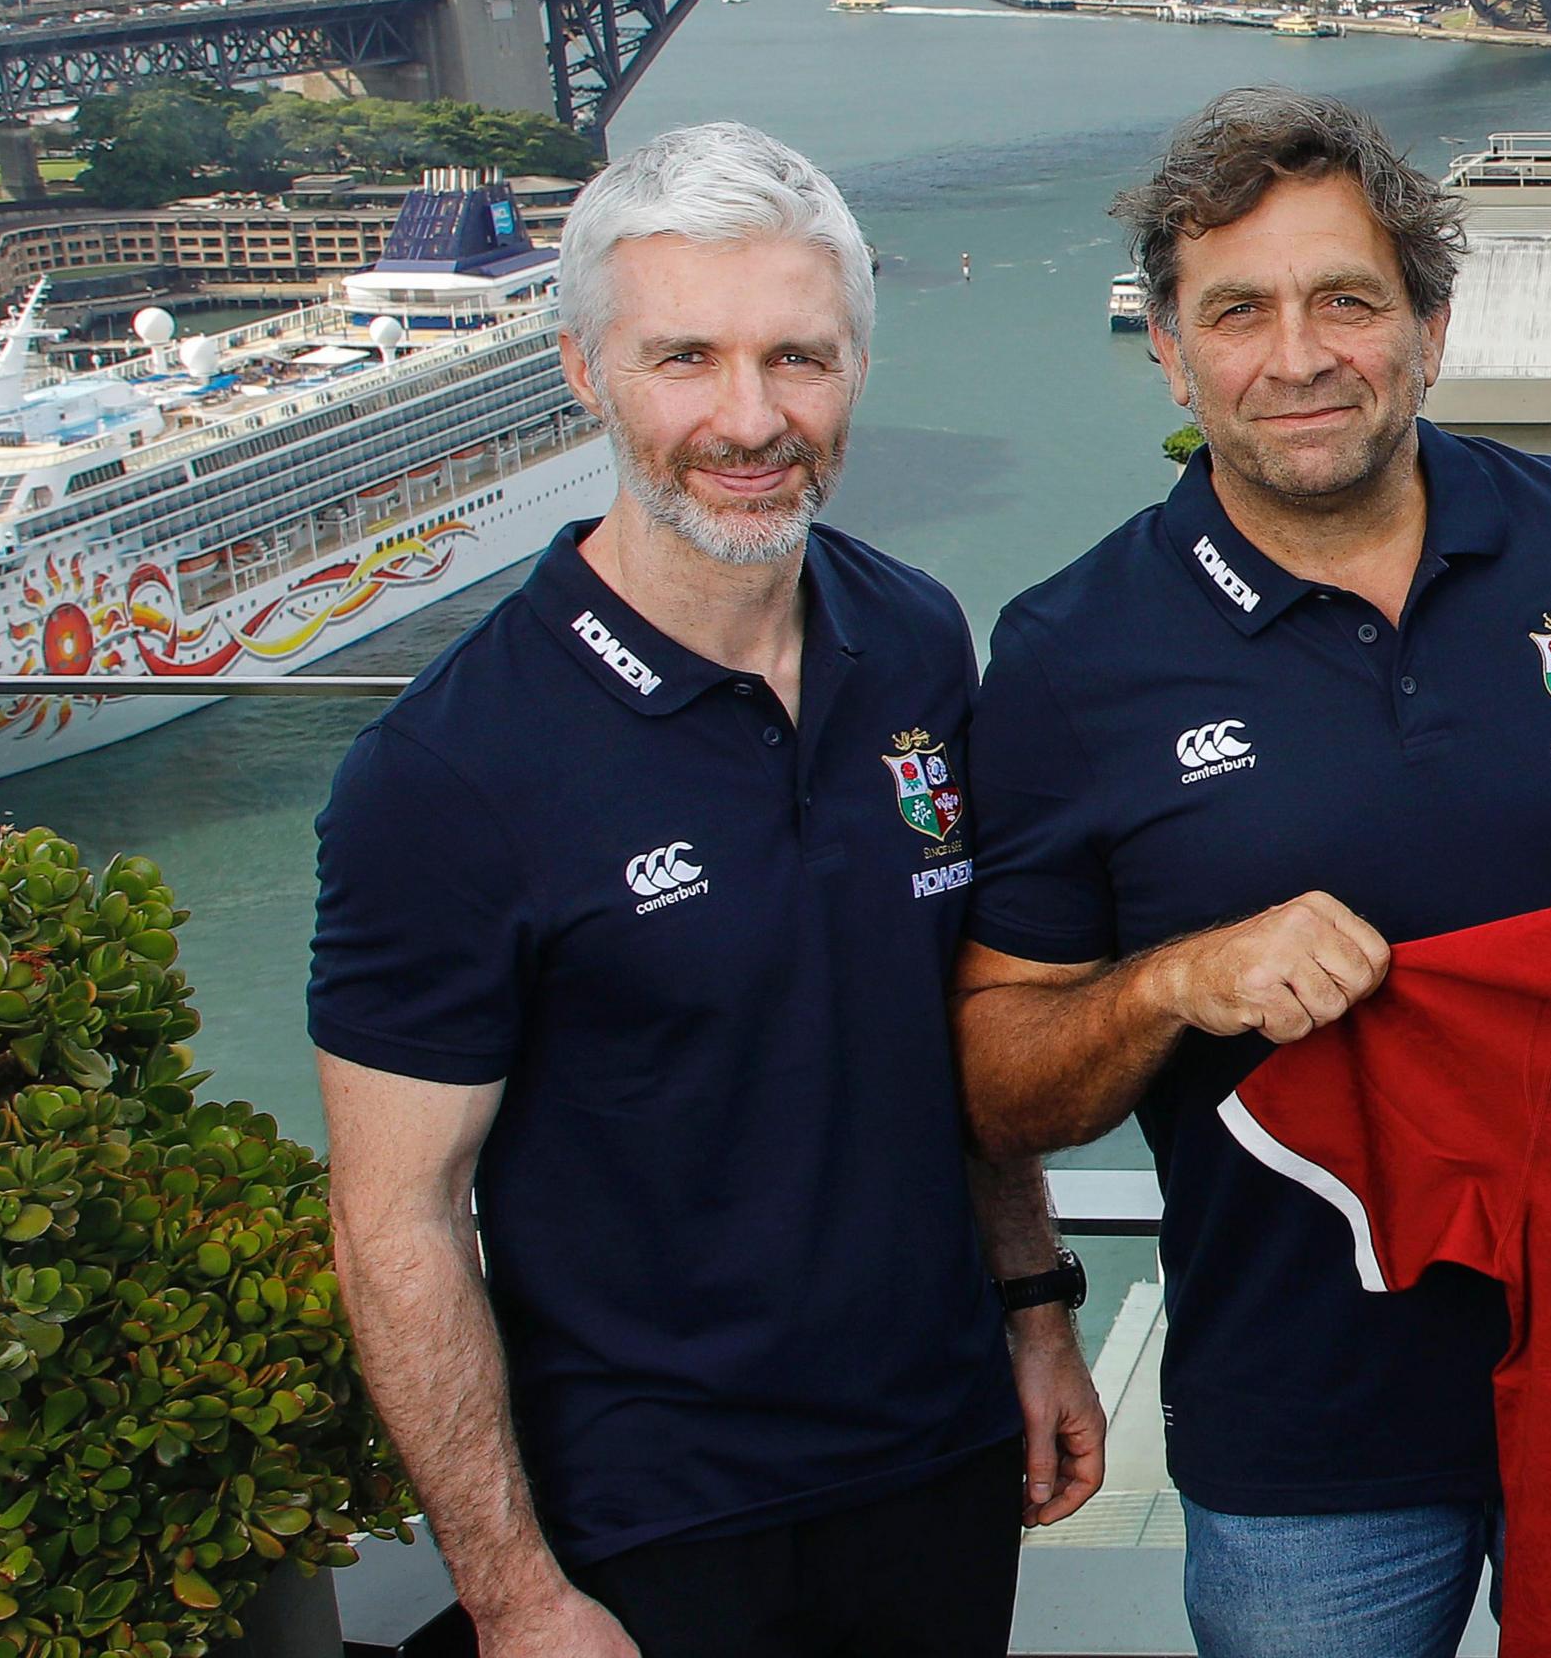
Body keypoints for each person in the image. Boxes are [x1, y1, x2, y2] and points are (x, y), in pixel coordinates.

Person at [313, 123, 1104, 1658]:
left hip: (936, 1458)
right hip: (649, 1515)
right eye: (687, 357)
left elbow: (954, 1025)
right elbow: (394, 1224)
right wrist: (514, 1595)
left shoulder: (917, 639)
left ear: (856, 370)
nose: (751, 420)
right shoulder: (449, 773)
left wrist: (1036, 1309)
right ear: (584, 374)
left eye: (798, 359)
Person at [952, 88, 1551, 1658]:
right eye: (1240, 311)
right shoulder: (1073, 657)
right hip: (1305, 1442)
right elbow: (996, 1083)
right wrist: (1176, 979)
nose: (1298, 356)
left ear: (1429, 321)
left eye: (1347, 299)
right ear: (1166, 346)